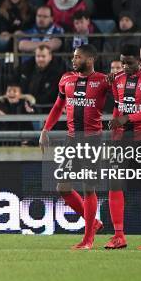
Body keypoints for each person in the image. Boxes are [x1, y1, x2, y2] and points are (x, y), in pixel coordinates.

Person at [39, 44, 109, 249]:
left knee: (89, 189)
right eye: (73, 56)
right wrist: (45, 129)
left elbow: (120, 100)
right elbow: (58, 105)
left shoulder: (103, 81)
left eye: (77, 57)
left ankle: (88, 240)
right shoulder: (66, 79)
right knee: (63, 186)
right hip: (72, 140)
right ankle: (93, 224)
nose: (73, 60)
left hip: (93, 140)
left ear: (89, 60)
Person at [107, 44, 141, 250]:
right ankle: (119, 236)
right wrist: (115, 132)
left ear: (139, 61)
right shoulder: (118, 79)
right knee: (114, 184)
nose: (125, 66)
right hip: (122, 140)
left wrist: (125, 118)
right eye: (122, 62)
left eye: (129, 63)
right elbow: (117, 107)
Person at [18, 45, 67, 110]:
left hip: (49, 108)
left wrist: (33, 103)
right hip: (27, 106)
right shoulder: (26, 69)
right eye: (38, 56)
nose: (40, 59)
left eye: (43, 56)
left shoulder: (57, 72)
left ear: (50, 57)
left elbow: (51, 96)